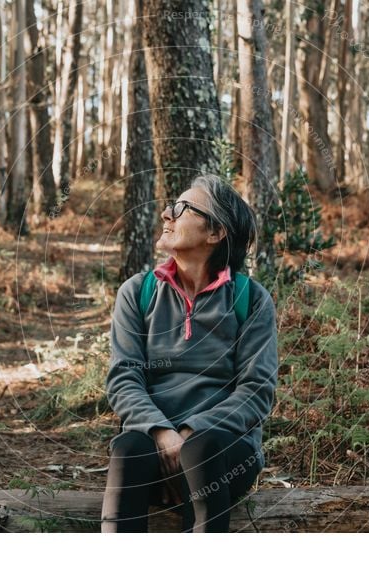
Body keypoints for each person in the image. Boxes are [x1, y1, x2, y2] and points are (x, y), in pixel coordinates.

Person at [100, 174, 279, 533]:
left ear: (215, 233)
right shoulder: (137, 292)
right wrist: (162, 433)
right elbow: (124, 377)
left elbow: (257, 390)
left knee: (202, 449)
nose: (167, 214)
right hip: (153, 447)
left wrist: (189, 433)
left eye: (181, 208)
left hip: (225, 454)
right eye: (170, 206)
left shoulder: (251, 299)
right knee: (129, 447)